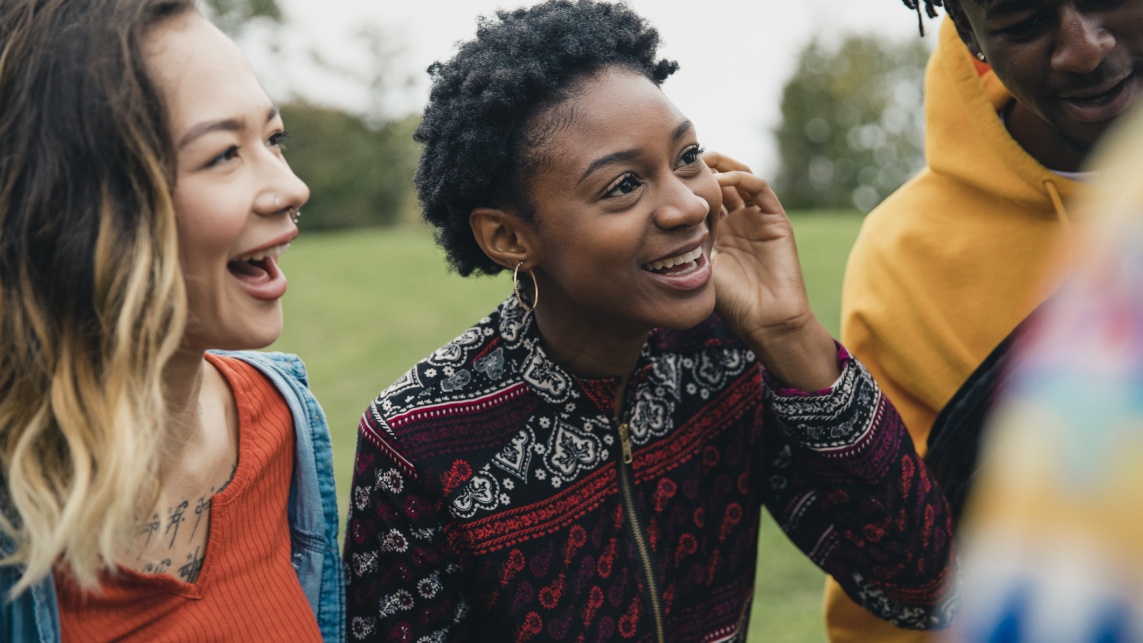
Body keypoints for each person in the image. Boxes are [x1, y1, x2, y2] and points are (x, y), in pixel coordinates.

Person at [342, 2, 955, 641]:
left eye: (687, 156)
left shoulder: (725, 353)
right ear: (508, 237)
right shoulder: (418, 440)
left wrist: (790, 335)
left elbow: (923, 590)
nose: (689, 205)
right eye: (623, 186)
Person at [0, 1, 343, 641]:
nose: (292, 187)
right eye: (222, 155)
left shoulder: (284, 421)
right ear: (87, 209)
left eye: (273, 139)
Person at [828, 0, 1143, 640]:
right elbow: (895, 582)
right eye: (1023, 23)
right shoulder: (902, 260)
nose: (1084, 48)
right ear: (970, 34)